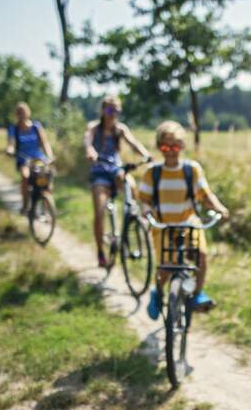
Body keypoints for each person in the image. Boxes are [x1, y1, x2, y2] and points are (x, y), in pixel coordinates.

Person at [137, 120, 229, 318]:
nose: (171, 151)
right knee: (167, 266)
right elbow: (144, 199)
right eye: (165, 147)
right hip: (163, 226)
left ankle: (197, 294)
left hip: (189, 223)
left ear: (182, 146)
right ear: (159, 147)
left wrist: (219, 208)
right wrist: (145, 210)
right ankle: (157, 292)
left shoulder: (192, 170)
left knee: (200, 257)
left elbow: (206, 195)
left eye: (175, 147)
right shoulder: (152, 172)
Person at [83, 94, 153, 267]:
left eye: (116, 111)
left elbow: (133, 143)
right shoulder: (94, 128)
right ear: (102, 111)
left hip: (116, 170)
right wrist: (90, 152)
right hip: (99, 171)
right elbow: (88, 141)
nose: (113, 114)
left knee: (131, 184)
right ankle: (100, 251)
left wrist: (146, 155)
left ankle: (133, 217)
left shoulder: (120, 129)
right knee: (100, 211)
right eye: (109, 110)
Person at [5, 102, 54, 215]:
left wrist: (50, 156)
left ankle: (46, 208)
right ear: (16, 115)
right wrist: (10, 150)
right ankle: (25, 205)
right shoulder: (14, 129)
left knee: (46, 177)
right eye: (19, 113)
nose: (21, 115)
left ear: (28, 113)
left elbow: (45, 143)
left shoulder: (36, 127)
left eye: (23, 112)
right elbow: (11, 143)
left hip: (38, 159)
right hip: (24, 160)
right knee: (25, 177)